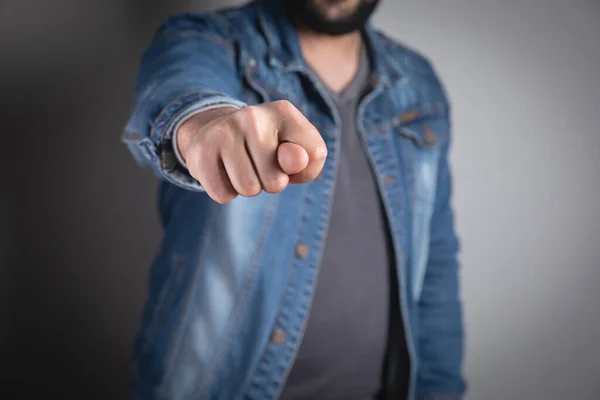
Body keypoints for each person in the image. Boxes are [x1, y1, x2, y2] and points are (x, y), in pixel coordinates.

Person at [122, 0, 465, 399]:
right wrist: (204, 124)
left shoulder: (417, 81)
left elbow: (434, 263)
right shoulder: (206, 39)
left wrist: (439, 389)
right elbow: (180, 90)